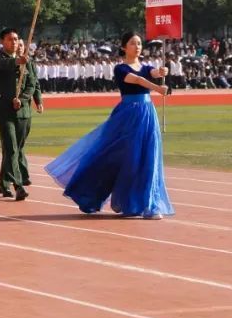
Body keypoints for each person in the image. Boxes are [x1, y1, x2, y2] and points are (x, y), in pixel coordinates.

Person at [45, 31, 174, 219]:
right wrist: (157, 88)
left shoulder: (146, 67)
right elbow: (137, 80)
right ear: (123, 47)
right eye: (132, 43)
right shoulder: (120, 69)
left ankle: (150, 205)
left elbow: (153, 72)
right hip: (127, 116)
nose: (137, 46)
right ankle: (107, 197)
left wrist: (162, 72)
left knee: (149, 158)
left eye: (139, 43)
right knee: (127, 159)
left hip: (147, 114)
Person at [0, 29, 42, 201]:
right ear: (2, 41)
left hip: (22, 112)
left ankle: (3, 184)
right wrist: (17, 61)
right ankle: (18, 186)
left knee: (14, 150)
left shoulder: (26, 61)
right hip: (4, 110)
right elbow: (0, 67)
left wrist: (22, 100)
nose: (14, 42)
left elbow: (32, 84)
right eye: (10, 39)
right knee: (11, 148)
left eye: (16, 39)